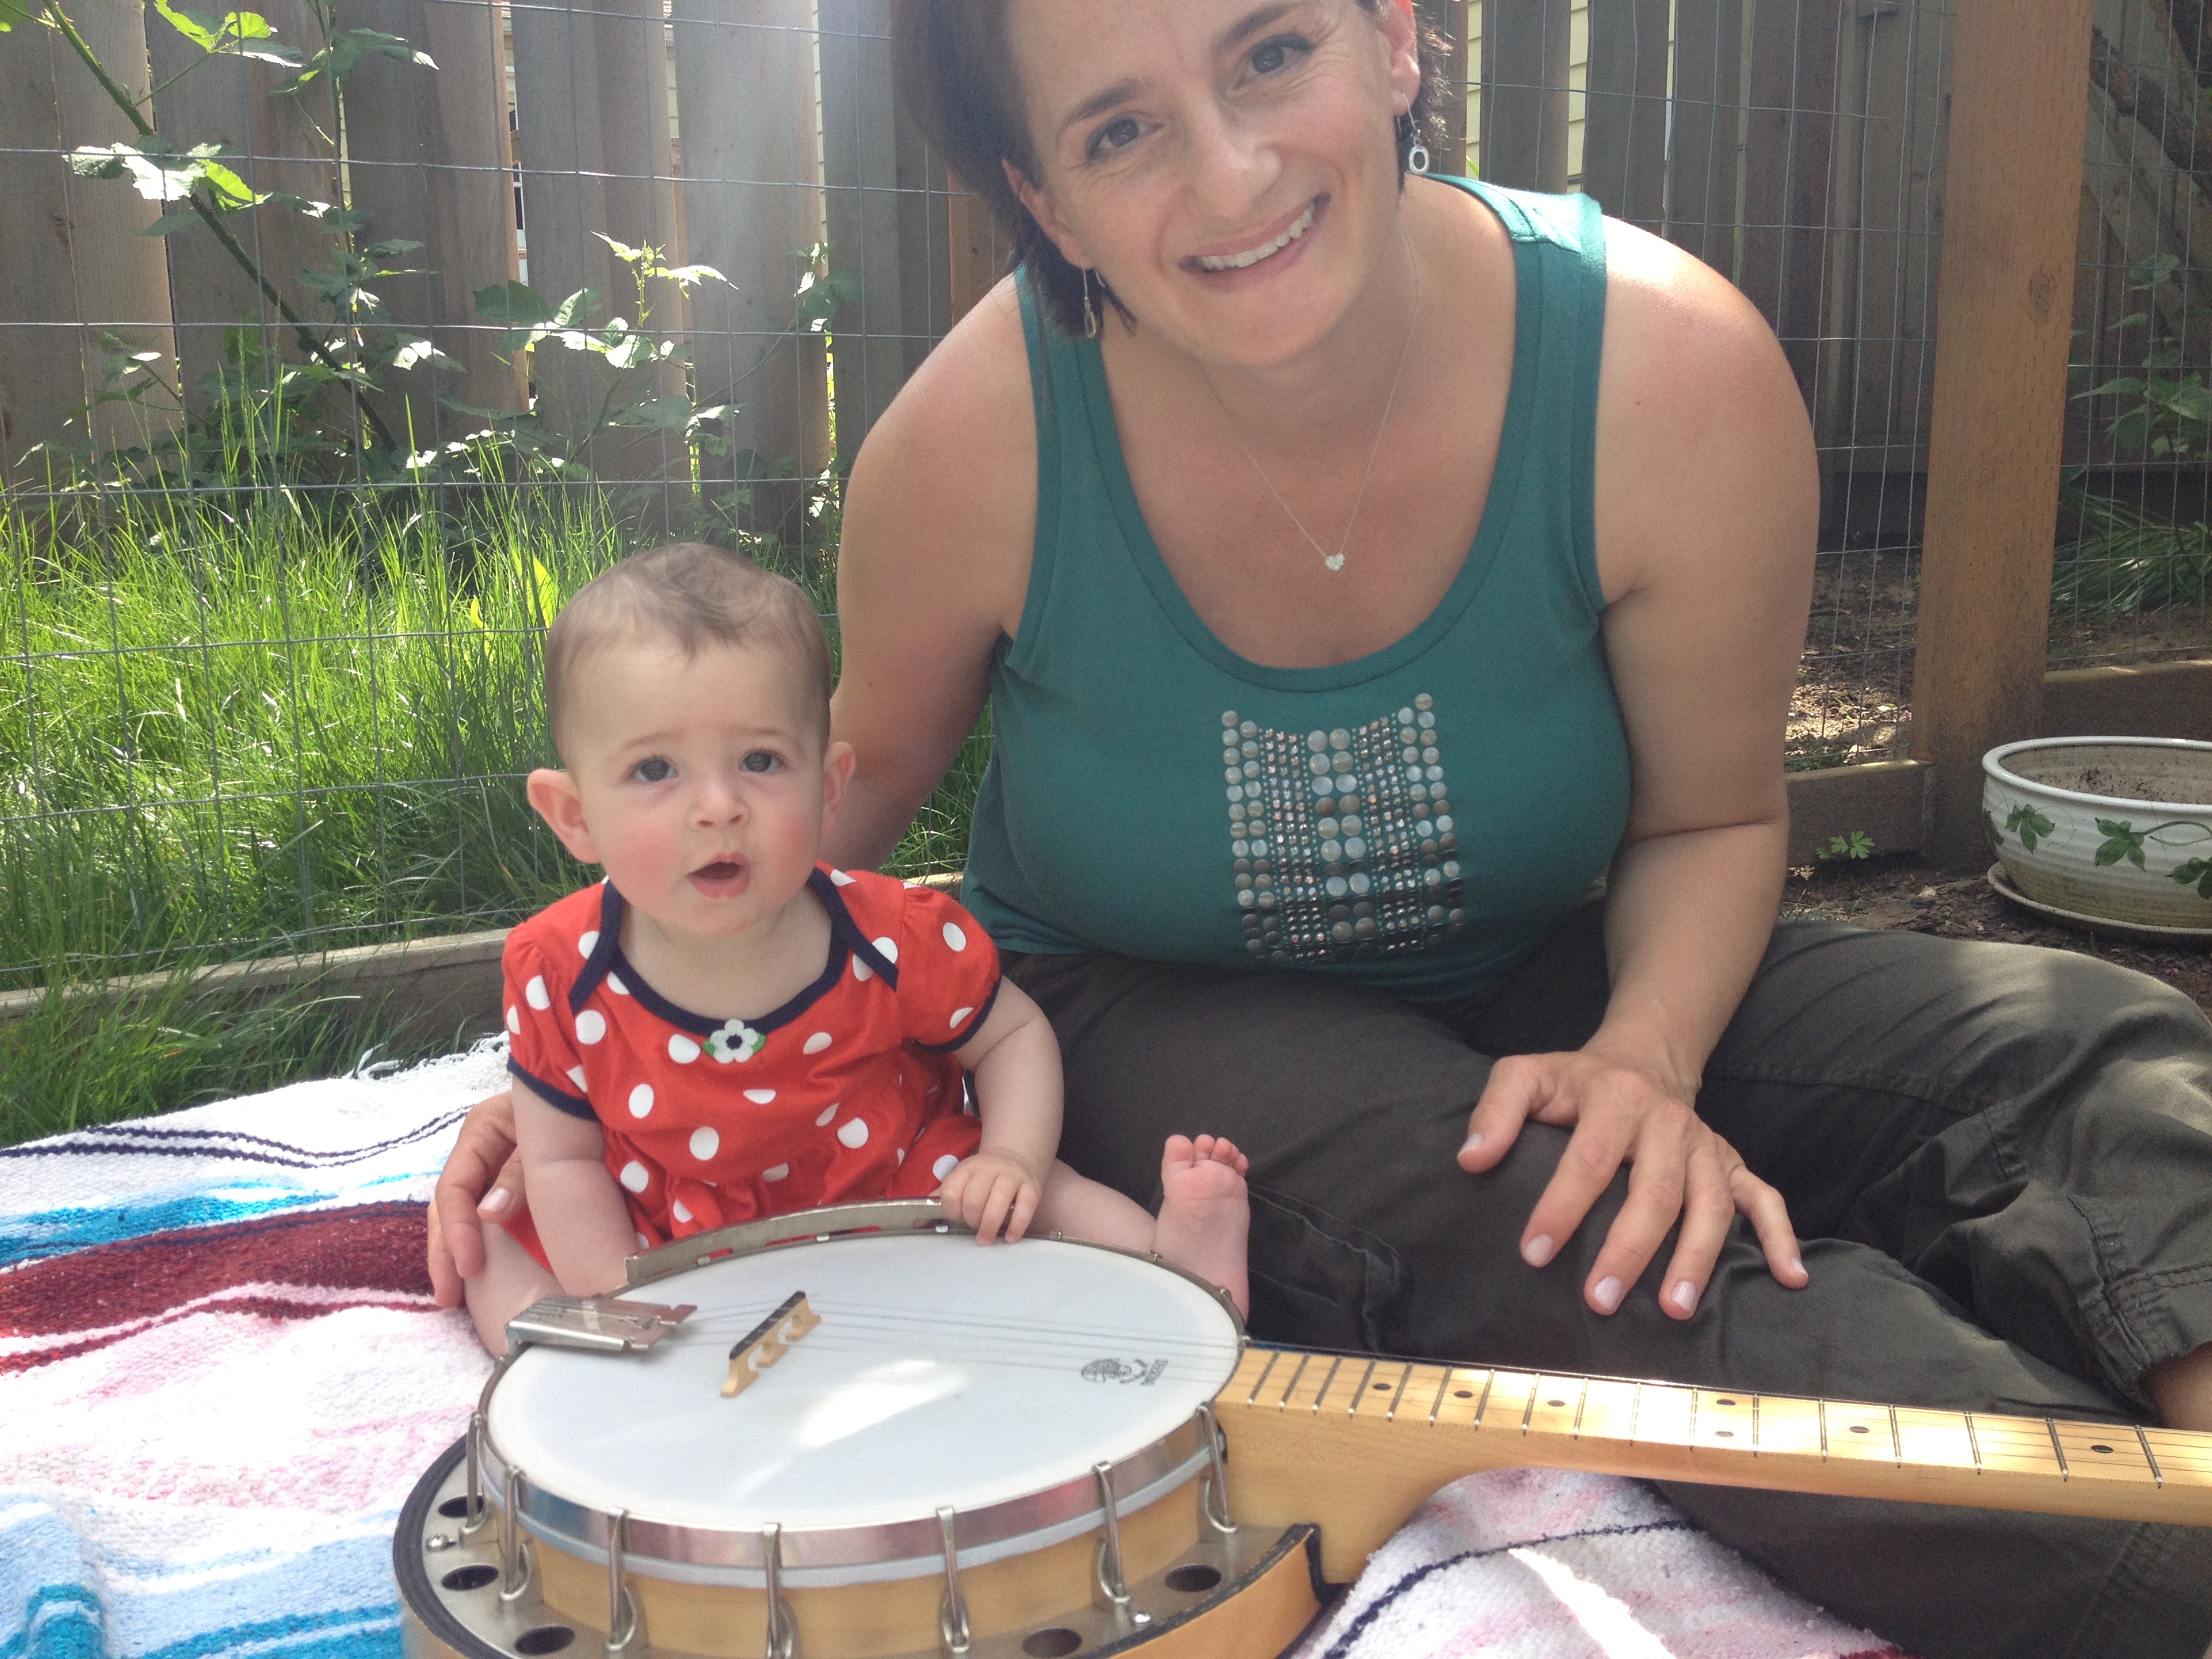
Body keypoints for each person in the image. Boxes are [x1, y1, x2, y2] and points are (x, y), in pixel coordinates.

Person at [430, 3, 2212, 1652]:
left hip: (1546, 956)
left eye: (1272, 52)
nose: (1230, 173)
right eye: (1120, 131)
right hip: (1148, 1010)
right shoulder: (970, 450)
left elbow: (1713, 816)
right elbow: (816, 823)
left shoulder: (1664, 370)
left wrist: (1647, 1057)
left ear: (1396, 34)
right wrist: (588, 1063)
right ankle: (2156, 1577)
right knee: (1583, 1234)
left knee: (2082, 1044)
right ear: (1043, 200)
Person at [457, 541, 1250, 1354]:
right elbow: (562, 1163)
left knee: (1045, 1193)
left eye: (761, 760)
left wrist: (1011, 1156)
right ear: (574, 816)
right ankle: (561, 1371)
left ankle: (1182, 1273)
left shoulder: (890, 937)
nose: (719, 806)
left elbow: (1011, 1034)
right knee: (489, 1237)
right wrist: (617, 1291)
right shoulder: (558, 972)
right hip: (678, 1235)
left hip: (899, 1192)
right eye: (655, 769)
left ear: (828, 786)